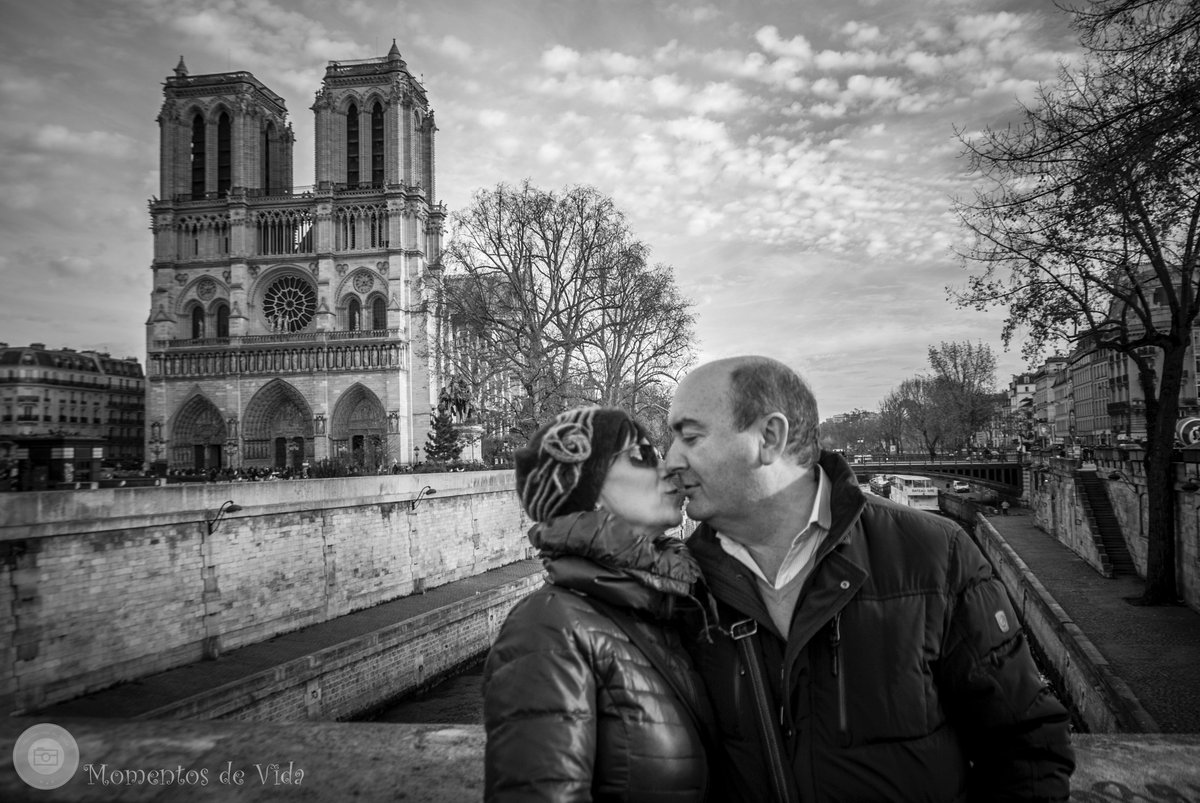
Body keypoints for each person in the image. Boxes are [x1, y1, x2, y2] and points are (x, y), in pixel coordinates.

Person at [664, 356, 1075, 803]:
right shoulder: (673, 586)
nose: (669, 460)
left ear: (769, 438)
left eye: (690, 437)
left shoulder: (936, 553)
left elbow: (1027, 749)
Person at [482, 406, 713, 802]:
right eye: (642, 457)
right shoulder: (546, 627)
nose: (670, 468)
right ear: (590, 493)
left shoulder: (661, 601)